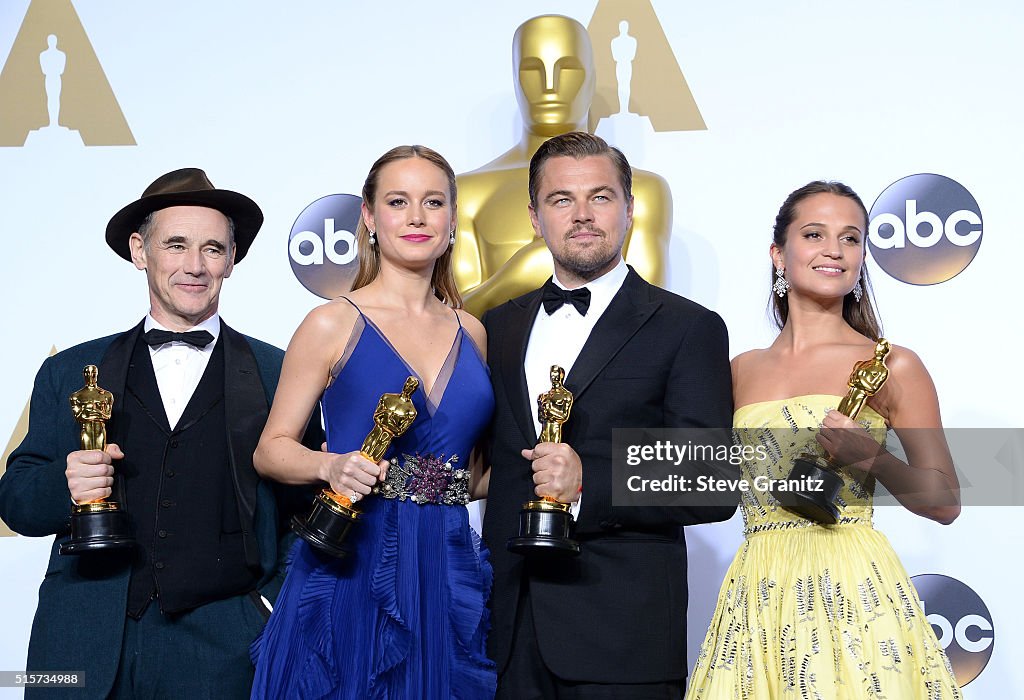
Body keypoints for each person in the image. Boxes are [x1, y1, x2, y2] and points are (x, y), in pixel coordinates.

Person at [0, 167, 318, 698]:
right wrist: (66, 485)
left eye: (213, 249)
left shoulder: (278, 372)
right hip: (83, 648)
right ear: (139, 251)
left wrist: (266, 608)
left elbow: (305, 512)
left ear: (232, 260)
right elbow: (15, 501)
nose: (195, 266)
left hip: (226, 653)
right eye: (176, 245)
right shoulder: (70, 370)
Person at [482, 131, 736, 699]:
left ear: (628, 209)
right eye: (561, 199)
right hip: (508, 637)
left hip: (623, 639)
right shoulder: (497, 327)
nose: (582, 215)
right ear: (534, 216)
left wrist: (589, 484)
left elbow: (712, 482)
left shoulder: (686, 327)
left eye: (600, 197)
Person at [685, 181, 962, 699]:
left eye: (850, 238)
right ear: (778, 255)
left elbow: (945, 502)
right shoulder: (737, 371)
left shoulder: (892, 365)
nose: (834, 249)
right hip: (760, 588)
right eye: (815, 234)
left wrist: (872, 458)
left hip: (855, 589)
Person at [249, 145, 496, 699]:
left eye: (433, 202)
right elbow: (271, 449)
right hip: (354, 556)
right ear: (369, 217)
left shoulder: (472, 332)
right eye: (397, 201)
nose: (416, 217)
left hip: (446, 560)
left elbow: (475, 475)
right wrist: (330, 465)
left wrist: (559, 476)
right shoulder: (331, 321)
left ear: (452, 221)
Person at [452, 14, 671, 317]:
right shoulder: (468, 192)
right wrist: (522, 275)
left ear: (592, 79)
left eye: (567, 69)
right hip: (504, 362)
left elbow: (651, 314)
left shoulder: (645, 190)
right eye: (532, 70)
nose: (550, 86)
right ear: (515, 78)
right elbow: (456, 320)